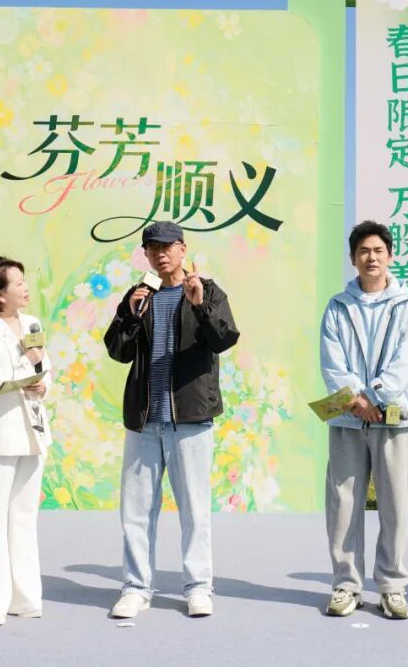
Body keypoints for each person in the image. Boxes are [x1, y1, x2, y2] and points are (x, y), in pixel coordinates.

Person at [103, 221, 240, 619]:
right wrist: (131, 316)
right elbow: (117, 351)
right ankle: (135, 588)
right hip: (144, 421)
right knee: (136, 512)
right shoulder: (139, 295)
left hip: (190, 419)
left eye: (167, 246)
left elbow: (224, 339)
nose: (160, 254)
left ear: (183, 249)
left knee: (194, 510)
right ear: (145, 254)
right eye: (152, 248)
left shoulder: (207, 290)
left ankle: (198, 588)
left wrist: (199, 306)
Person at [318, 220, 408, 620]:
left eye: (378, 250)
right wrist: (356, 400)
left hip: (393, 420)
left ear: (390, 255)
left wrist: (375, 396)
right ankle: (346, 585)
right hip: (348, 420)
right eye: (363, 251)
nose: (371, 257)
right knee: (343, 505)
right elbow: (332, 362)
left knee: (394, 505)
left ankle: (392, 586)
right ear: (353, 258)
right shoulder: (337, 306)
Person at [0, 257, 53, 626]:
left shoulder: (33, 324)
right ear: (0, 294)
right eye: (17, 283)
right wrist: (25, 367)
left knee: (23, 518)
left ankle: (26, 598)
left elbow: (45, 370)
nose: (25, 287)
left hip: (33, 433)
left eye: (23, 280)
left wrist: (43, 383)